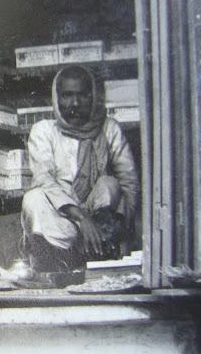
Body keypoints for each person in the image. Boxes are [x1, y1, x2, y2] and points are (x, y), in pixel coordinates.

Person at [21, 65, 139, 272]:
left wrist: (124, 229)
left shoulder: (109, 129)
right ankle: (57, 263)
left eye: (82, 95)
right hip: (62, 219)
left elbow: (129, 182)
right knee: (34, 197)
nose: (74, 104)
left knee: (109, 183)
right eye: (67, 96)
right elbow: (44, 179)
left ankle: (97, 252)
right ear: (57, 99)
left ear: (93, 97)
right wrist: (81, 218)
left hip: (99, 223)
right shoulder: (44, 130)